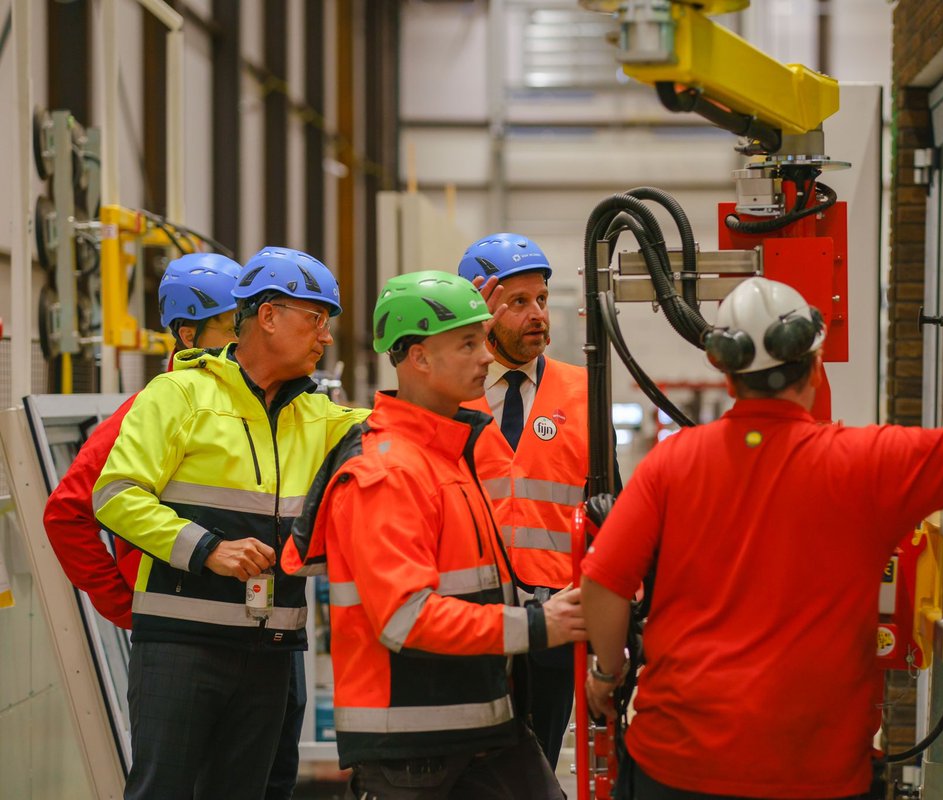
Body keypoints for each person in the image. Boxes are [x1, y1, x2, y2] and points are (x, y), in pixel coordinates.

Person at [581, 277, 943, 800]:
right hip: (813, 773)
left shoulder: (670, 463)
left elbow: (603, 582)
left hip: (675, 764)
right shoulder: (869, 463)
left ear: (728, 375)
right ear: (815, 365)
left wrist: (608, 671)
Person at [281, 270, 586, 799]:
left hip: (479, 730)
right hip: (413, 751)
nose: (487, 357)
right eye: (468, 343)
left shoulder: (450, 452)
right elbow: (405, 616)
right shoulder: (388, 472)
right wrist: (539, 626)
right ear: (418, 358)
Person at [94, 247, 369, 800]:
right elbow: (115, 494)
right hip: (181, 648)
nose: (327, 337)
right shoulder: (178, 395)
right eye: (316, 318)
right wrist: (207, 549)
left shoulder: (322, 418)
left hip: (270, 652)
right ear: (268, 316)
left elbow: (411, 426)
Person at [44, 252, 240, 631]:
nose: (243, 340)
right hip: (179, 636)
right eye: (233, 328)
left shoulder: (255, 409)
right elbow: (65, 515)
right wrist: (126, 607)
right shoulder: (146, 412)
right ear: (188, 335)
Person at [457, 233, 591, 768]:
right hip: (468, 615)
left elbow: (612, 508)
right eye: (517, 303)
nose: (537, 315)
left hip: (554, 619)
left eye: (541, 300)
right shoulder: (447, 394)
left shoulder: (583, 390)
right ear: (480, 309)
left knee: (536, 764)